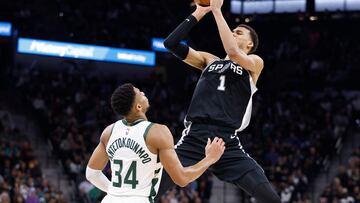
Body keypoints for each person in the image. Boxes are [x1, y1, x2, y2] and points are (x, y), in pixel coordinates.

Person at [160, 0, 281, 202]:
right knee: (149, 191)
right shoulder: (209, 60)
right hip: (194, 137)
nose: (233, 33)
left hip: (227, 142)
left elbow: (234, 53)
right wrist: (198, 13)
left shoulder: (255, 63)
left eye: (239, 33)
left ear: (250, 44)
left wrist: (216, 11)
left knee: (271, 198)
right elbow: (170, 44)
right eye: (232, 31)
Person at [85, 83, 225, 203]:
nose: (143, 92)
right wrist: (210, 159)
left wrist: (118, 192)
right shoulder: (158, 132)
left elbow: (91, 173)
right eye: (140, 93)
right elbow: (182, 178)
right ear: (138, 107)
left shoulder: (109, 132)